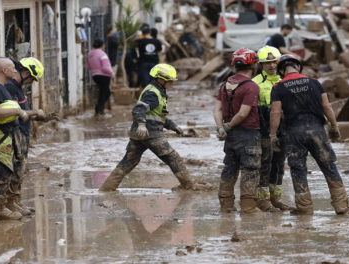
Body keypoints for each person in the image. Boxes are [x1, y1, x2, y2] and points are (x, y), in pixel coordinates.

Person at [99, 64, 207, 192]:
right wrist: (142, 124)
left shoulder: (156, 91)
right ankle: (189, 186)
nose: (172, 83)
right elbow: (138, 110)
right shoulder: (153, 93)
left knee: (129, 162)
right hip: (151, 133)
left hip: (139, 134)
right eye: (170, 81)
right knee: (173, 158)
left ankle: (107, 188)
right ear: (161, 79)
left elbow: (156, 115)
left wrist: (173, 126)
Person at [270, 54, 349, 215]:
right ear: (298, 67)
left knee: (298, 168)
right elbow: (327, 106)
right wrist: (334, 125)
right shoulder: (314, 83)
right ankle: (341, 205)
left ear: (282, 70)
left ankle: (304, 209)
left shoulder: (278, 87)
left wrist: (273, 135)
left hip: (293, 134)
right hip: (317, 131)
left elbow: (276, 112)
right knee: (328, 165)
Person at [213, 48, 262, 214]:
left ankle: (226, 206)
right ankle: (248, 208)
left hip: (230, 136)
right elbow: (243, 113)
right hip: (248, 134)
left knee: (230, 168)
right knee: (250, 170)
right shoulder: (251, 86)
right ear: (253, 65)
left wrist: (221, 128)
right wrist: (228, 126)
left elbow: (217, 109)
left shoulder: (225, 84)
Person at [0, 58, 29, 220]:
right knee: (2, 170)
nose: (15, 71)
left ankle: (3, 204)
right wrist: (17, 111)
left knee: (8, 170)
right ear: (4, 70)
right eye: (12, 68)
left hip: (5, 134)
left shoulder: (0, 87)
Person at [252, 46, 292, 211]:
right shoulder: (255, 83)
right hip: (264, 130)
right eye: (267, 63)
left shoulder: (284, 80)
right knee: (265, 164)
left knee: (280, 164)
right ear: (261, 64)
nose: (271, 66)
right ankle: (263, 200)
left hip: (284, 129)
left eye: (274, 62)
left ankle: (276, 198)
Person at [5, 57, 45, 216]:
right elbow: (13, 113)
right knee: (16, 169)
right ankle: (10, 202)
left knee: (20, 170)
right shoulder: (10, 88)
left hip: (23, 133)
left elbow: (22, 111)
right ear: (26, 72)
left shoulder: (18, 87)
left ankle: (15, 201)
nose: (32, 82)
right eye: (32, 78)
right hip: (15, 133)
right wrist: (35, 112)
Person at [87, 38, 114, 117]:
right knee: (104, 93)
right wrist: (112, 74)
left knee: (106, 92)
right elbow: (106, 68)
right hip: (104, 76)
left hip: (95, 76)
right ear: (102, 45)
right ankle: (100, 110)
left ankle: (98, 108)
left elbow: (89, 67)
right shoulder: (102, 54)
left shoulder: (90, 54)